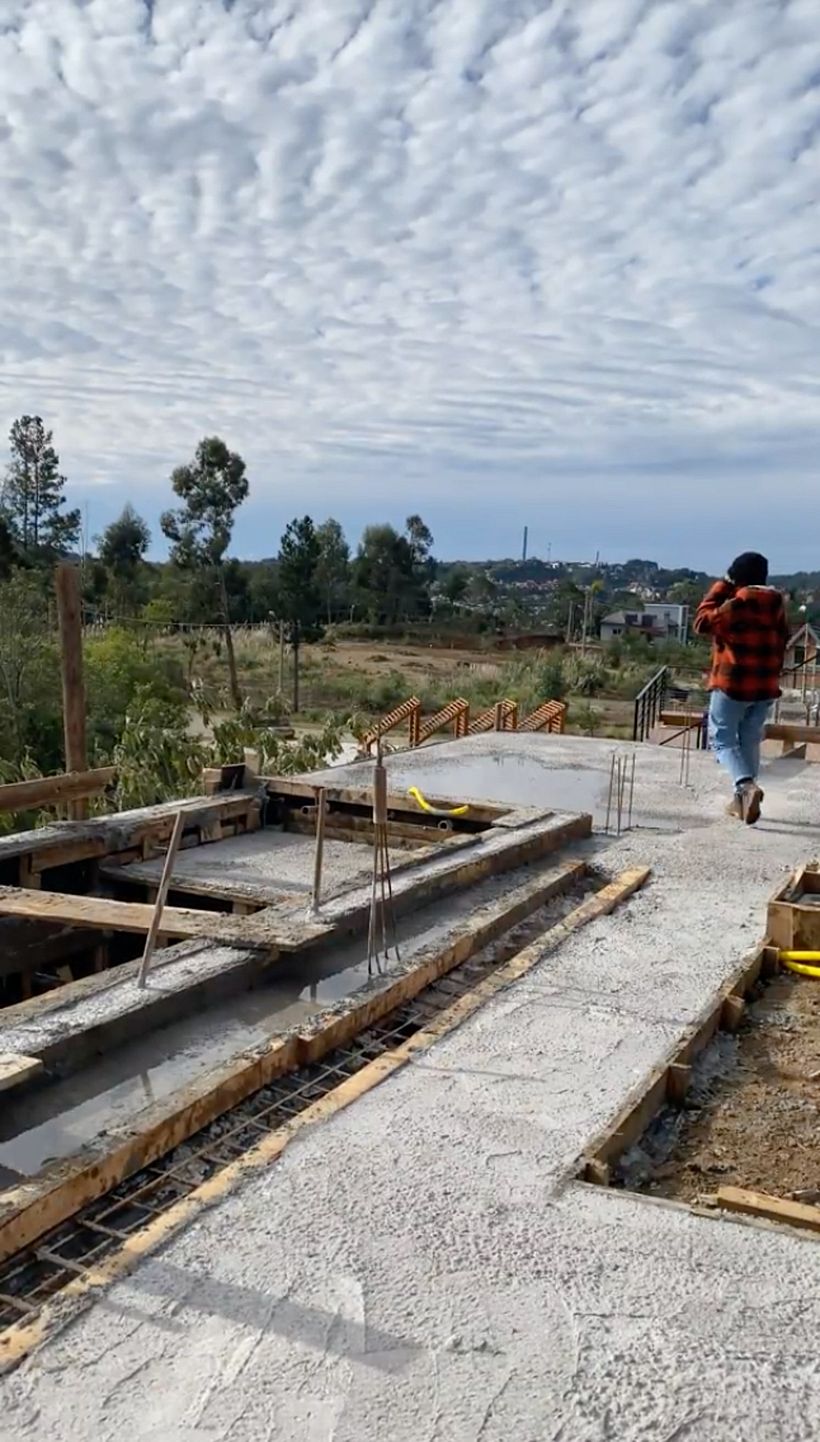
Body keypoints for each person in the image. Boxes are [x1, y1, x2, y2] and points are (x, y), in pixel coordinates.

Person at [693, 552, 789, 824]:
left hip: (733, 684)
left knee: (721, 739)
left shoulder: (738, 604)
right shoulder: (777, 605)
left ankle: (745, 786)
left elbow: (701, 622)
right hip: (765, 686)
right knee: (749, 738)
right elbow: (783, 639)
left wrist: (722, 585)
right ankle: (742, 801)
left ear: (737, 577)